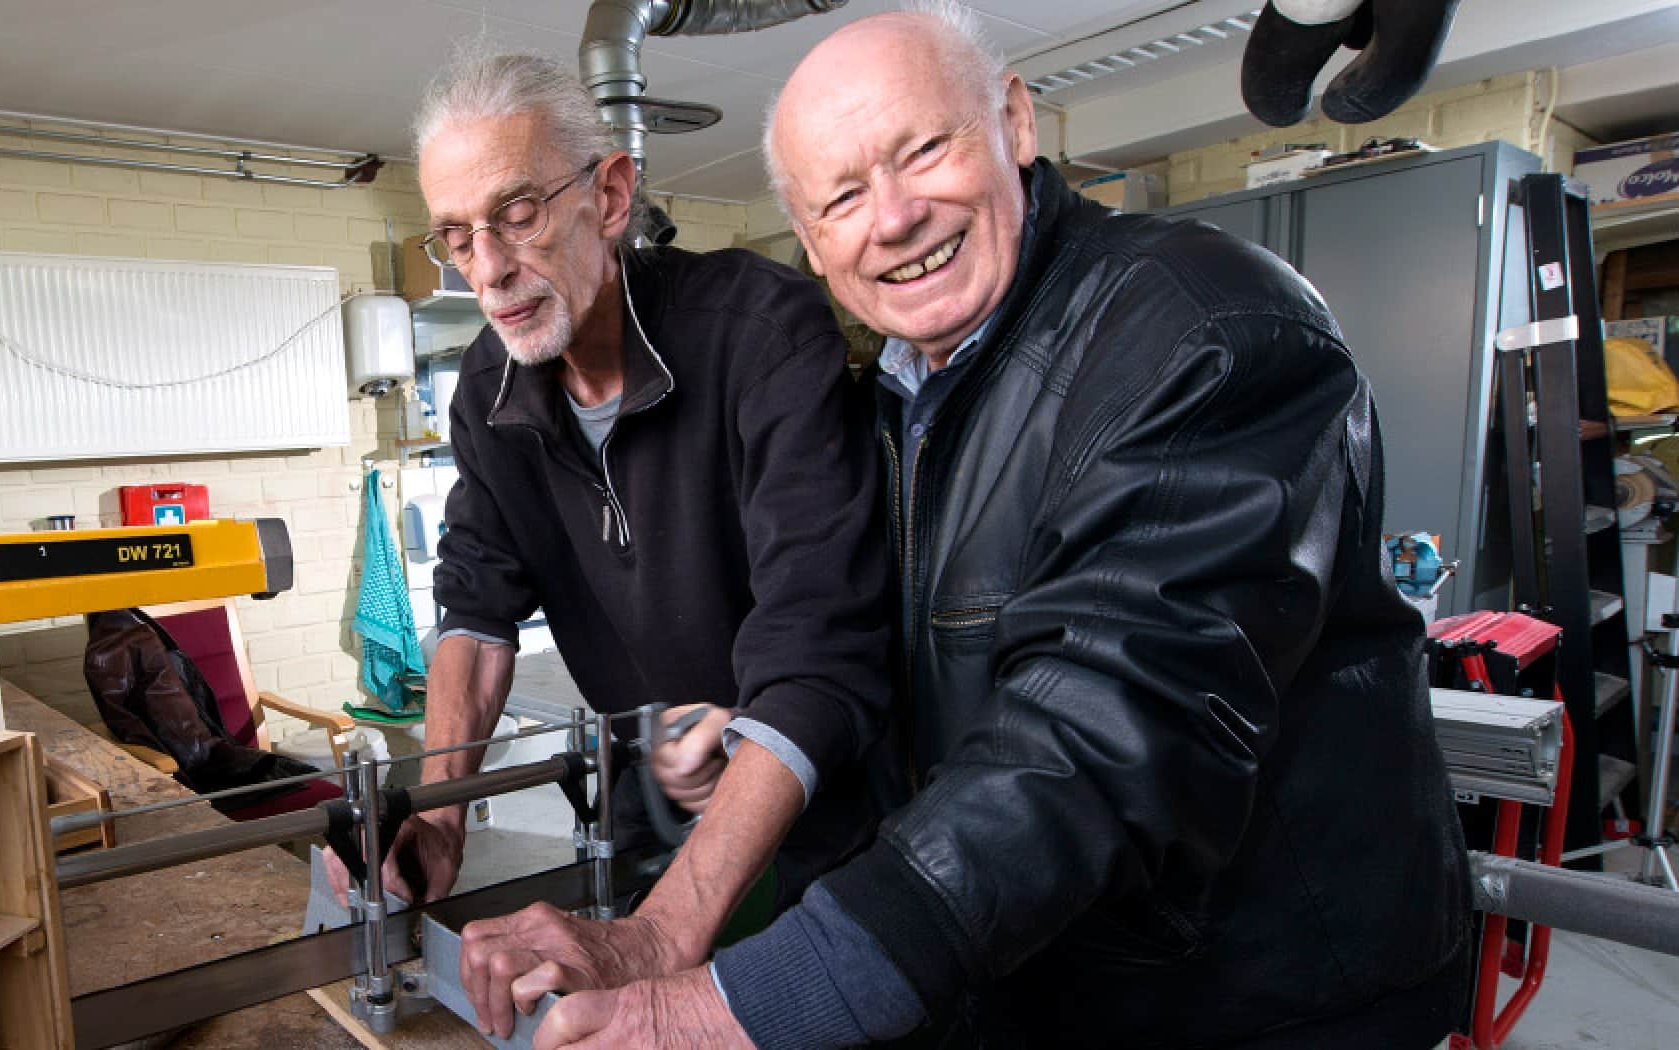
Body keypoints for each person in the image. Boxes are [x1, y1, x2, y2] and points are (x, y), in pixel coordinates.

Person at [528, 6, 1474, 1049]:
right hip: (1049, 979)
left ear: (1014, 124)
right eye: (840, 197)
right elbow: (942, 688)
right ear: (810, 239)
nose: (888, 218)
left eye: (920, 150)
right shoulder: (898, 401)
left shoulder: (1197, 325)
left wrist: (744, 1001)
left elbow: (1098, 734)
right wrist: (753, 742)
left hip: (1262, 1004)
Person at [320, 51, 898, 1038]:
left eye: (515, 214)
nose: (489, 269)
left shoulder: (760, 333)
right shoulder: (486, 391)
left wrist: (656, 938)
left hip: (831, 794)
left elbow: (819, 644)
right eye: (456, 237)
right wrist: (443, 811)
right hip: (652, 778)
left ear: (610, 194)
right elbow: (475, 608)